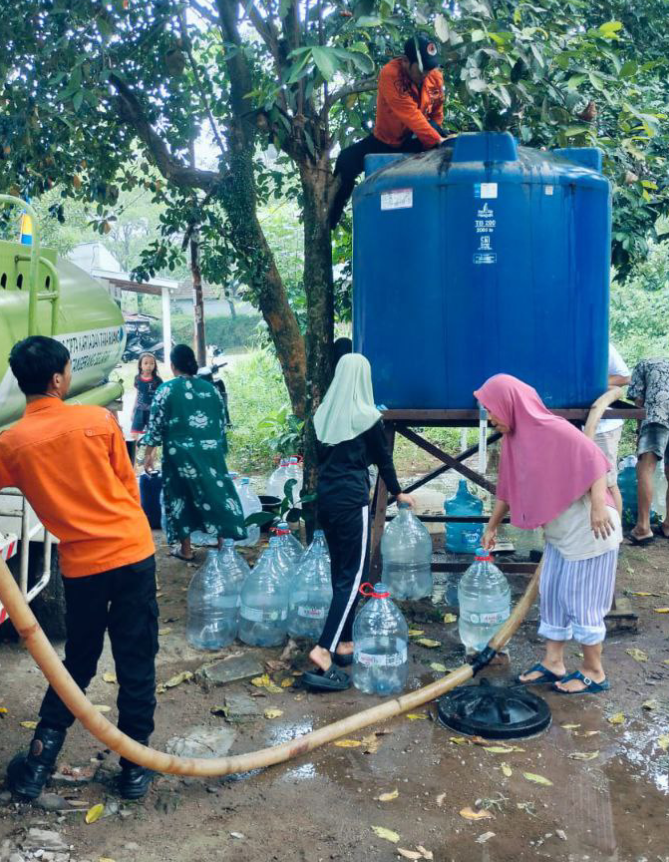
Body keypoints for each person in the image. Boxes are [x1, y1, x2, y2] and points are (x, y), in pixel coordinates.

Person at [0, 336, 157, 801]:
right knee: (135, 657)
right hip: (131, 553)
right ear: (56, 378)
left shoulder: (12, 442)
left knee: (78, 661)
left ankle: (39, 760)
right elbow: (128, 490)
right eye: (67, 370)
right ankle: (135, 767)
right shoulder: (98, 420)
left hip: (81, 567)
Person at [476, 374, 622, 695]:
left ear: (510, 404)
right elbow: (506, 490)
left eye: (492, 410)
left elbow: (595, 459)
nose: (490, 418)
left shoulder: (551, 428)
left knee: (580, 600)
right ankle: (554, 662)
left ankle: (594, 671)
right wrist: (491, 526)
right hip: (560, 534)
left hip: (591, 530)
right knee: (553, 594)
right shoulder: (514, 440)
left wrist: (599, 506)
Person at [303, 354, 415, 692]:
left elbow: (319, 461)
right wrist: (398, 493)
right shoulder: (368, 419)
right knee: (353, 579)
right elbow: (384, 460)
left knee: (341, 572)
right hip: (352, 503)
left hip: (326, 503)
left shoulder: (321, 417)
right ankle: (324, 648)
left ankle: (345, 641)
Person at [328, 35, 450, 229]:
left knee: (439, 138)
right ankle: (330, 220)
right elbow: (410, 115)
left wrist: (435, 145)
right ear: (406, 61)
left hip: (418, 137)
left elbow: (436, 114)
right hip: (385, 141)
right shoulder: (390, 74)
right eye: (421, 69)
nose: (426, 73)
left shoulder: (434, 76)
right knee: (345, 161)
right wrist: (437, 140)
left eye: (429, 68)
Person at [142, 344, 246, 562]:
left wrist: (148, 454)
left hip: (178, 454)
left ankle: (186, 549)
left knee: (180, 496)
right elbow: (221, 423)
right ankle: (220, 544)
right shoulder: (212, 390)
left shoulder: (166, 390)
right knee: (215, 493)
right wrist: (217, 450)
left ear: (172, 366)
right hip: (209, 453)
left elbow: (155, 427)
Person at [627, 357, 669, 545]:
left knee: (645, 467)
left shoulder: (644, 364)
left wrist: (639, 431)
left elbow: (639, 401)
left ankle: (643, 528)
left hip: (656, 416)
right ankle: (668, 525)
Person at [593, 343, 631, 519]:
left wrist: (595, 383)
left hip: (604, 426)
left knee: (608, 481)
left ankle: (616, 536)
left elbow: (624, 377)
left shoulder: (602, 346)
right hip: (574, 425)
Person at [130, 352, 163, 438]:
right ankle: (134, 451)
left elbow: (160, 396)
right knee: (134, 434)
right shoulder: (137, 378)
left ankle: (152, 452)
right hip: (139, 410)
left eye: (152, 363)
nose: (149, 366)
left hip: (152, 411)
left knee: (152, 435)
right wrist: (133, 410)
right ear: (140, 365)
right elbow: (138, 394)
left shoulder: (157, 380)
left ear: (155, 365)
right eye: (146, 363)